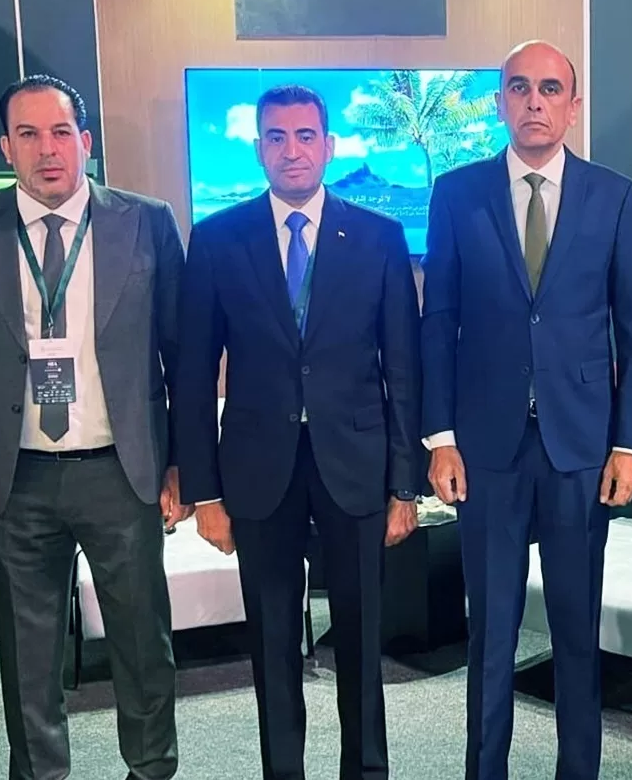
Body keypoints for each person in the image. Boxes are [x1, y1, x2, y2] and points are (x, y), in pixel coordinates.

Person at [0, 74, 185, 780]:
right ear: (6, 148)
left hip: (120, 472)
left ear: (86, 142)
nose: (47, 149)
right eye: (28, 135)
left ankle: (152, 769)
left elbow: (181, 352)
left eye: (61, 132)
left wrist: (184, 462)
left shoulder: (146, 222)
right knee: (27, 656)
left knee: (142, 644)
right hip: (14, 480)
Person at [421, 39, 632, 780]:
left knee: (576, 632)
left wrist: (630, 444)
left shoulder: (615, 196)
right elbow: (439, 322)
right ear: (500, 103)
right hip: (484, 448)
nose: (534, 102)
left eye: (550, 88)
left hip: (580, 448)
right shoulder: (456, 194)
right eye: (519, 88)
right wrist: (440, 436)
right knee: (490, 634)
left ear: (573, 106)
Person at [173, 83, 422, 780]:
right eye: (277, 137)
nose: (292, 150)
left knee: (361, 643)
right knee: (273, 642)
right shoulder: (218, 239)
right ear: (258, 148)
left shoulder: (379, 236)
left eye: (306, 135)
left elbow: (403, 371)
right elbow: (193, 374)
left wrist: (406, 486)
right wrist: (204, 493)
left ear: (329, 145)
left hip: (357, 466)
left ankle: (365, 772)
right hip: (258, 471)